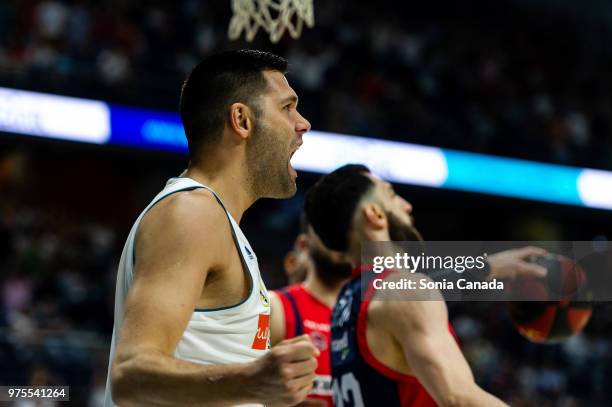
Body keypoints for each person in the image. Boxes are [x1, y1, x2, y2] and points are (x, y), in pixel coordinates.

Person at [104, 49, 318, 407]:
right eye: (287, 107)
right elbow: (130, 374)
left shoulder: (218, 222)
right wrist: (252, 380)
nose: (303, 123)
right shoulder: (192, 214)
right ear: (242, 120)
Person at [304, 164, 548, 407]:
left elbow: (416, 295)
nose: (407, 206)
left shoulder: (346, 302)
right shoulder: (403, 291)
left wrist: (489, 266)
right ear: (375, 215)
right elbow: (459, 399)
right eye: (391, 195)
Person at [271, 216, 353, 406]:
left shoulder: (372, 315)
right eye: (332, 229)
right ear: (304, 244)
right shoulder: (275, 307)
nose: (342, 238)